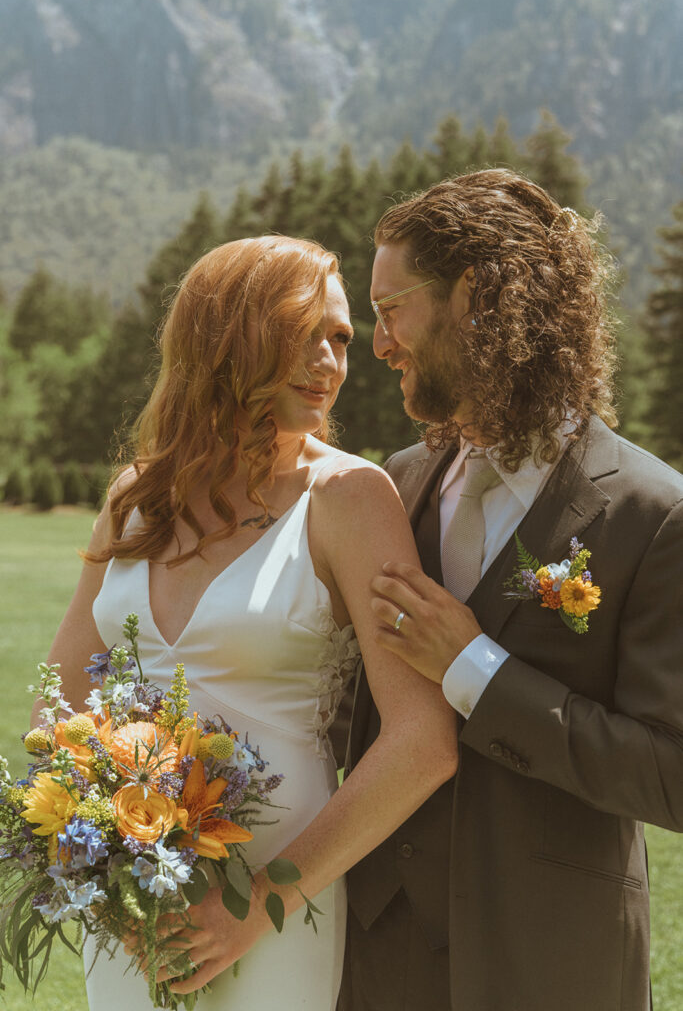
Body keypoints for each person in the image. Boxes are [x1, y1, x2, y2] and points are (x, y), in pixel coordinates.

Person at [37, 235, 458, 1010]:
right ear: (224, 337)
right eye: (303, 334)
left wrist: (259, 905)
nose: (330, 360)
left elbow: (422, 742)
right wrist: (99, 858)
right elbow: (57, 705)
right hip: (131, 903)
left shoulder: (349, 499)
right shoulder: (135, 494)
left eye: (338, 338)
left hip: (277, 900)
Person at [339, 169, 683, 1011]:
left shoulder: (653, 513)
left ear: (475, 299)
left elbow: (671, 775)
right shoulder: (397, 483)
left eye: (391, 310)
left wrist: (473, 669)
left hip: (551, 963)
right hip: (374, 960)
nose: (377, 344)